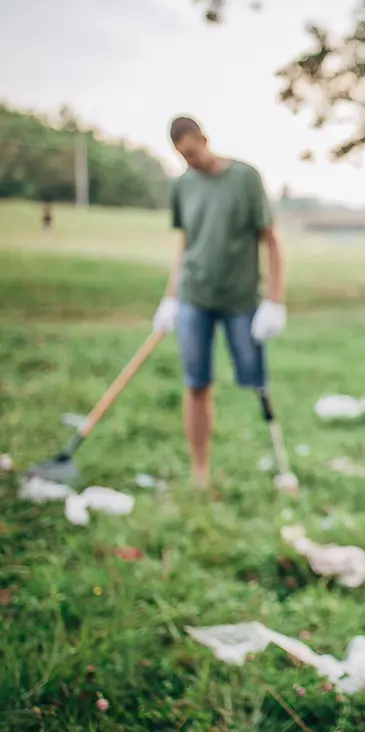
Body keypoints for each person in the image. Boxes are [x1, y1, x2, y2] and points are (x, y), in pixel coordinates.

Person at [151, 116, 287, 489]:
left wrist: (275, 301)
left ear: (205, 139)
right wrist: (171, 298)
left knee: (255, 379)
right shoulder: (182, 186)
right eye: (182, 157)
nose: (190, 162)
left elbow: (271, 240)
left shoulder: (245, 178)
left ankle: (279, 460)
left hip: (241, 299)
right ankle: (200, 473)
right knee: (196, 383)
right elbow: (185, 243)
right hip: (195, 295)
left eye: (193, 153)